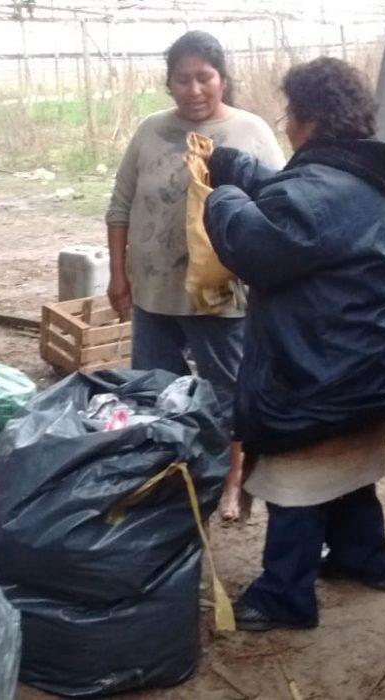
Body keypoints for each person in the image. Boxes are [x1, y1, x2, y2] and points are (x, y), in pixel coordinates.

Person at [201, 57, 385, 631]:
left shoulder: (319, 191)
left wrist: (222, 192)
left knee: (295, 486)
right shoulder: (361, 178)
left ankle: (284, 596)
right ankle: (365, 561)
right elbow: (294, 201)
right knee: (349, 473)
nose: (287, 125)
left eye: (291, 115)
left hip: (318, 376)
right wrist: (240, 167)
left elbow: (256, 243)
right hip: (367, 367)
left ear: (309, 120)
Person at [105, 30, 285, 523]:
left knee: (231, 390)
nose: (194, 89)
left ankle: (234, 480)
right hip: (153, 290)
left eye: (204, 77)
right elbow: (120, 206)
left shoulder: (251, 132)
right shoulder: (149, 131)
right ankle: (171, 471)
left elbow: (281, 210)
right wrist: (118, 275)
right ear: (169, 84)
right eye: (182, 80)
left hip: (221, 294)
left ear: (222, 78)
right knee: (155, 387)